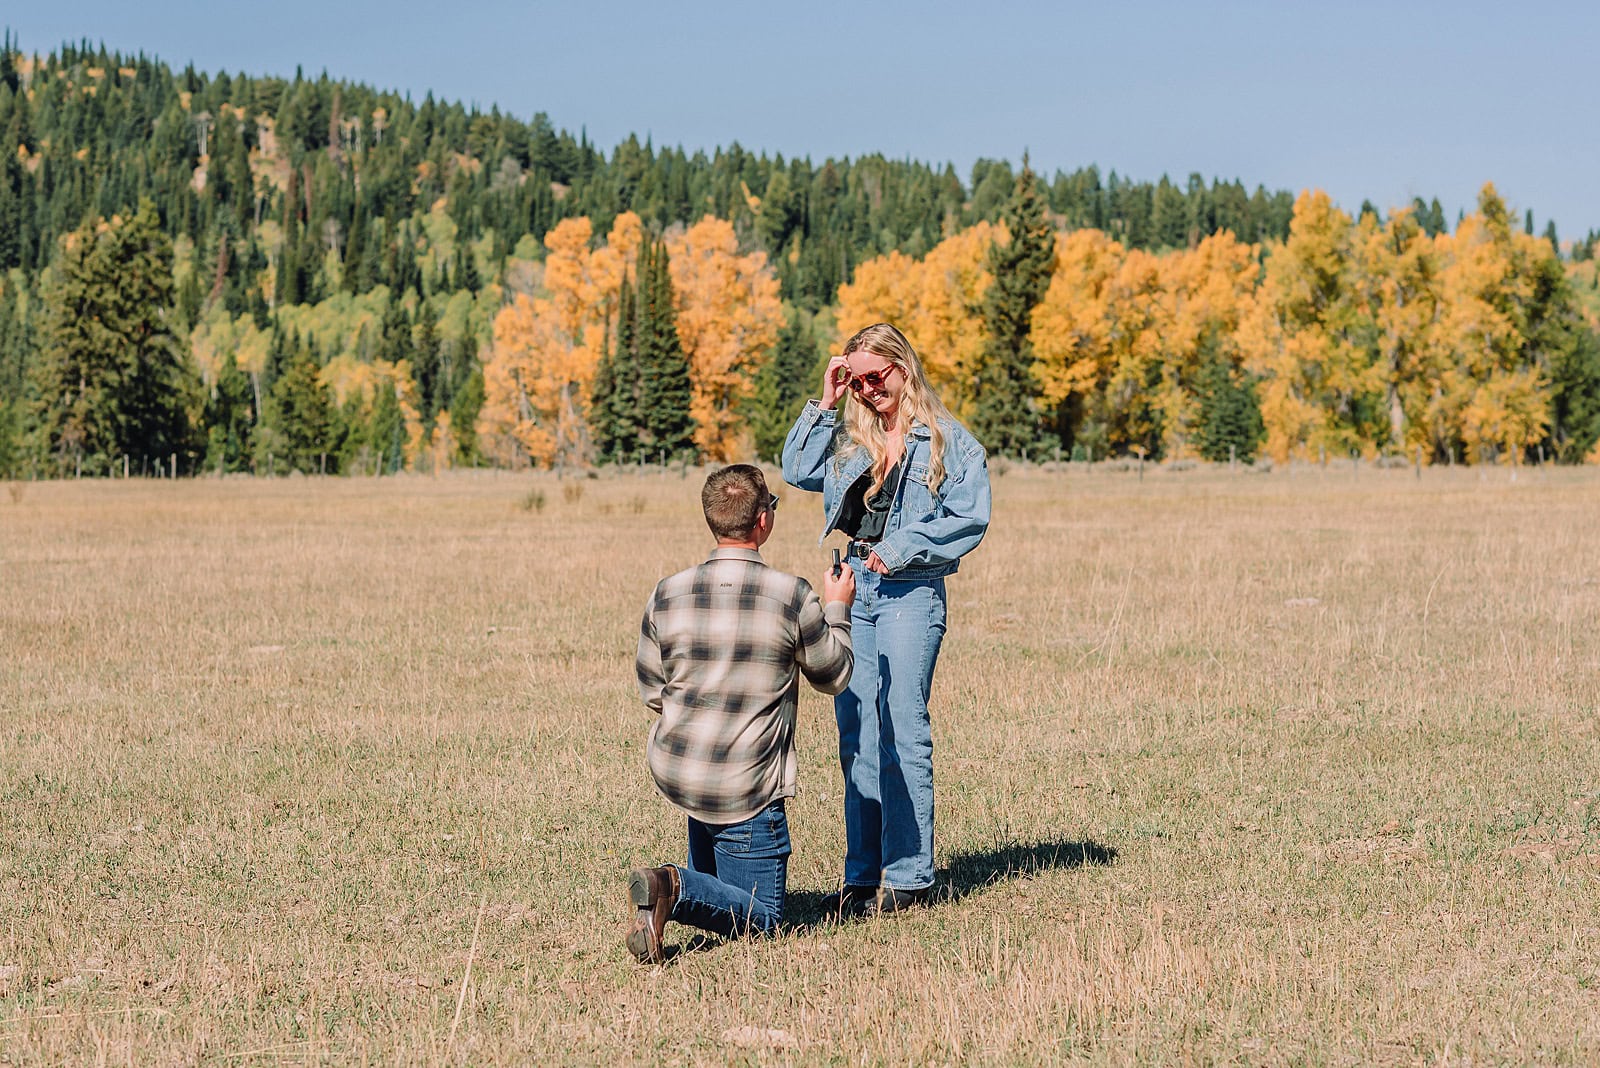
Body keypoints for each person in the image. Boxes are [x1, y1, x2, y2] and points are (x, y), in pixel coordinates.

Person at [780, 322, 991, 915]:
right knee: (857, 736)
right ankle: (862, 874)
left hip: (910, 591)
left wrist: (898, 550)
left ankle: (910, 877)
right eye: (858, 381)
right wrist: (825, 400)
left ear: (905, 367)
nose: (869, 390)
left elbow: (969, 518)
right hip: (852, 590)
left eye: (878, 377)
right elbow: (795, 469)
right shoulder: (851, 441)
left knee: (902, 728)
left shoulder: (948, 441)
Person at [627, 464, 856, 963]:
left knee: (721, 887)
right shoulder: (792, 596)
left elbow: (652, 690)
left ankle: (685, 888)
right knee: (766, 918)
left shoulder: (667, 591)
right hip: (748, 787)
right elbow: (833, 675)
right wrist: (838, 607)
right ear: (762, 523)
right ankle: (669, 886)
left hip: (683, 773)